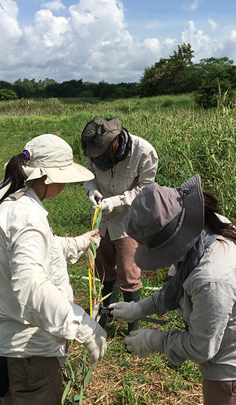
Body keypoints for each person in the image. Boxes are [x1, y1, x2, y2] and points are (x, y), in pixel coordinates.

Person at [110, 175, 236, 405]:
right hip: (233, 365)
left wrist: (154, 340)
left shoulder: (213, 278)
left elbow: (202, 348)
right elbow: (179, 283)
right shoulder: (205, 231)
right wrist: (139, 308)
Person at [0, 134, 108, 405]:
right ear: (48, 178)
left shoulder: (18, 202)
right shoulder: (27, 218)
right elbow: (31, 286)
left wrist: (80, 242)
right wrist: (82, 326)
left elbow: (43, 249)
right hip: (29, 355)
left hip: (20, 351)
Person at [81, 117, 158, 333]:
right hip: (101, 218)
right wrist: (91, 190)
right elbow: (89, 176)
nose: (98, 157)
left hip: (129, 219)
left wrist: (115, 202)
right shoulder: (92, 152)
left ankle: (133, 325)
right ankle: (106, 314)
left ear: (115, 142)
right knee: (104, 266)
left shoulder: (143, 151)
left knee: (129, 270)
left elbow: (145, 188)